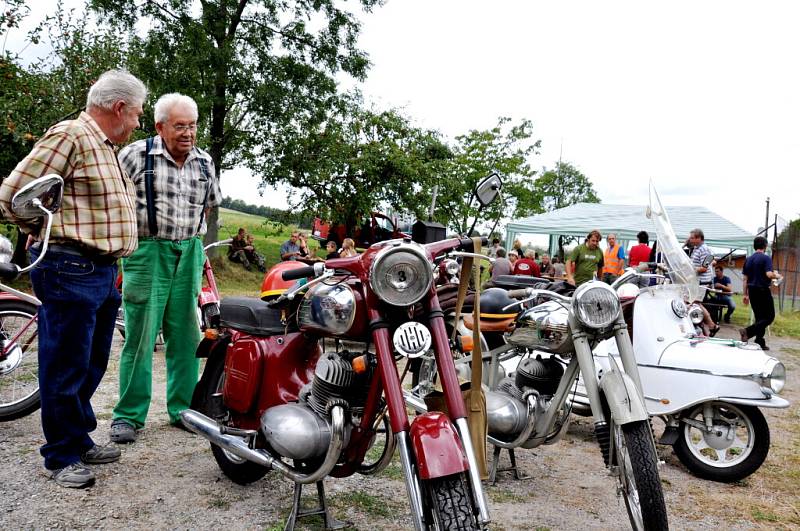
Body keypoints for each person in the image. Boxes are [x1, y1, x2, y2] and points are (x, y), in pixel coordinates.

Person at [0, 70, 145, 488]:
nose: (136, 122)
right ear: (119, 108)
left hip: (98, 269)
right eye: (135, 114)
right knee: (65, 364)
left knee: (91, 361)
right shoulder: (71, 136)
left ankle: (77, 439)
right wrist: (42, 230)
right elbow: (13, 195)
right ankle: (60, 455)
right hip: (70, 267)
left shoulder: (102, 145)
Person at [110, 93, 221, 445]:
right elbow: (112, 202)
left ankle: (184, 410)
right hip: (147, 251)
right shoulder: (134, 156)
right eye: (180, 126)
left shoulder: (204, 162)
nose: (188, 133)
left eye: (192, 126)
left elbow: (208, 208)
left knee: (187, 336)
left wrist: (195, 248)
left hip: (189, 251)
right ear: (160, 127)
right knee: (141, 337)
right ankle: (128, 416)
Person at [740, 236, 782, 350]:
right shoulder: (766, 258)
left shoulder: (748, 259)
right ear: (765, 246)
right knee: (769, 317)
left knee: (760, 317)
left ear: (754, 246)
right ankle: (747, 332)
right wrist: (777, 275)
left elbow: (745, 279)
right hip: (763, 290)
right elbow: (769, 274)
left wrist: (745, 294)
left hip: (752, 291)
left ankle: (759, 341)